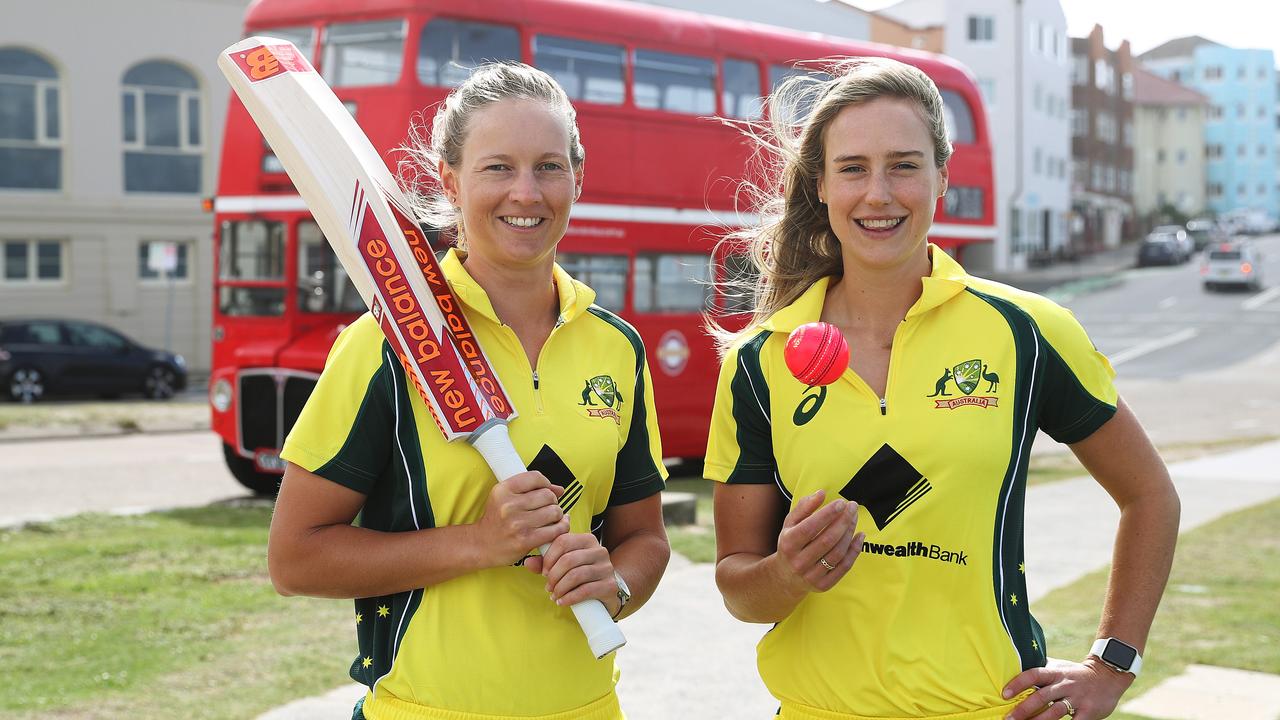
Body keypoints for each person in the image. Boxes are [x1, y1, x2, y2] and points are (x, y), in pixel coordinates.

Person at [705, 57, 1180, 720]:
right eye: (853, 168)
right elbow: (737, 587)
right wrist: (786, 575)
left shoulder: (1027, 331)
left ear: (942, 178)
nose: (879, 193)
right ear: (822, 185)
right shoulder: (759, 361)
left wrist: (1110, 665)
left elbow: (1149, 494)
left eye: (904, 164)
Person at [268, 62, 670, 720]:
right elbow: (296, 558)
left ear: (577, 176)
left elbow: (645, 538)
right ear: (451, 181)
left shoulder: (614, 347)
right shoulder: (385, 344)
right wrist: (478, 544)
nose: (526, 192)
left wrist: (617, 583)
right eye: (497, 168)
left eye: (547, 167)